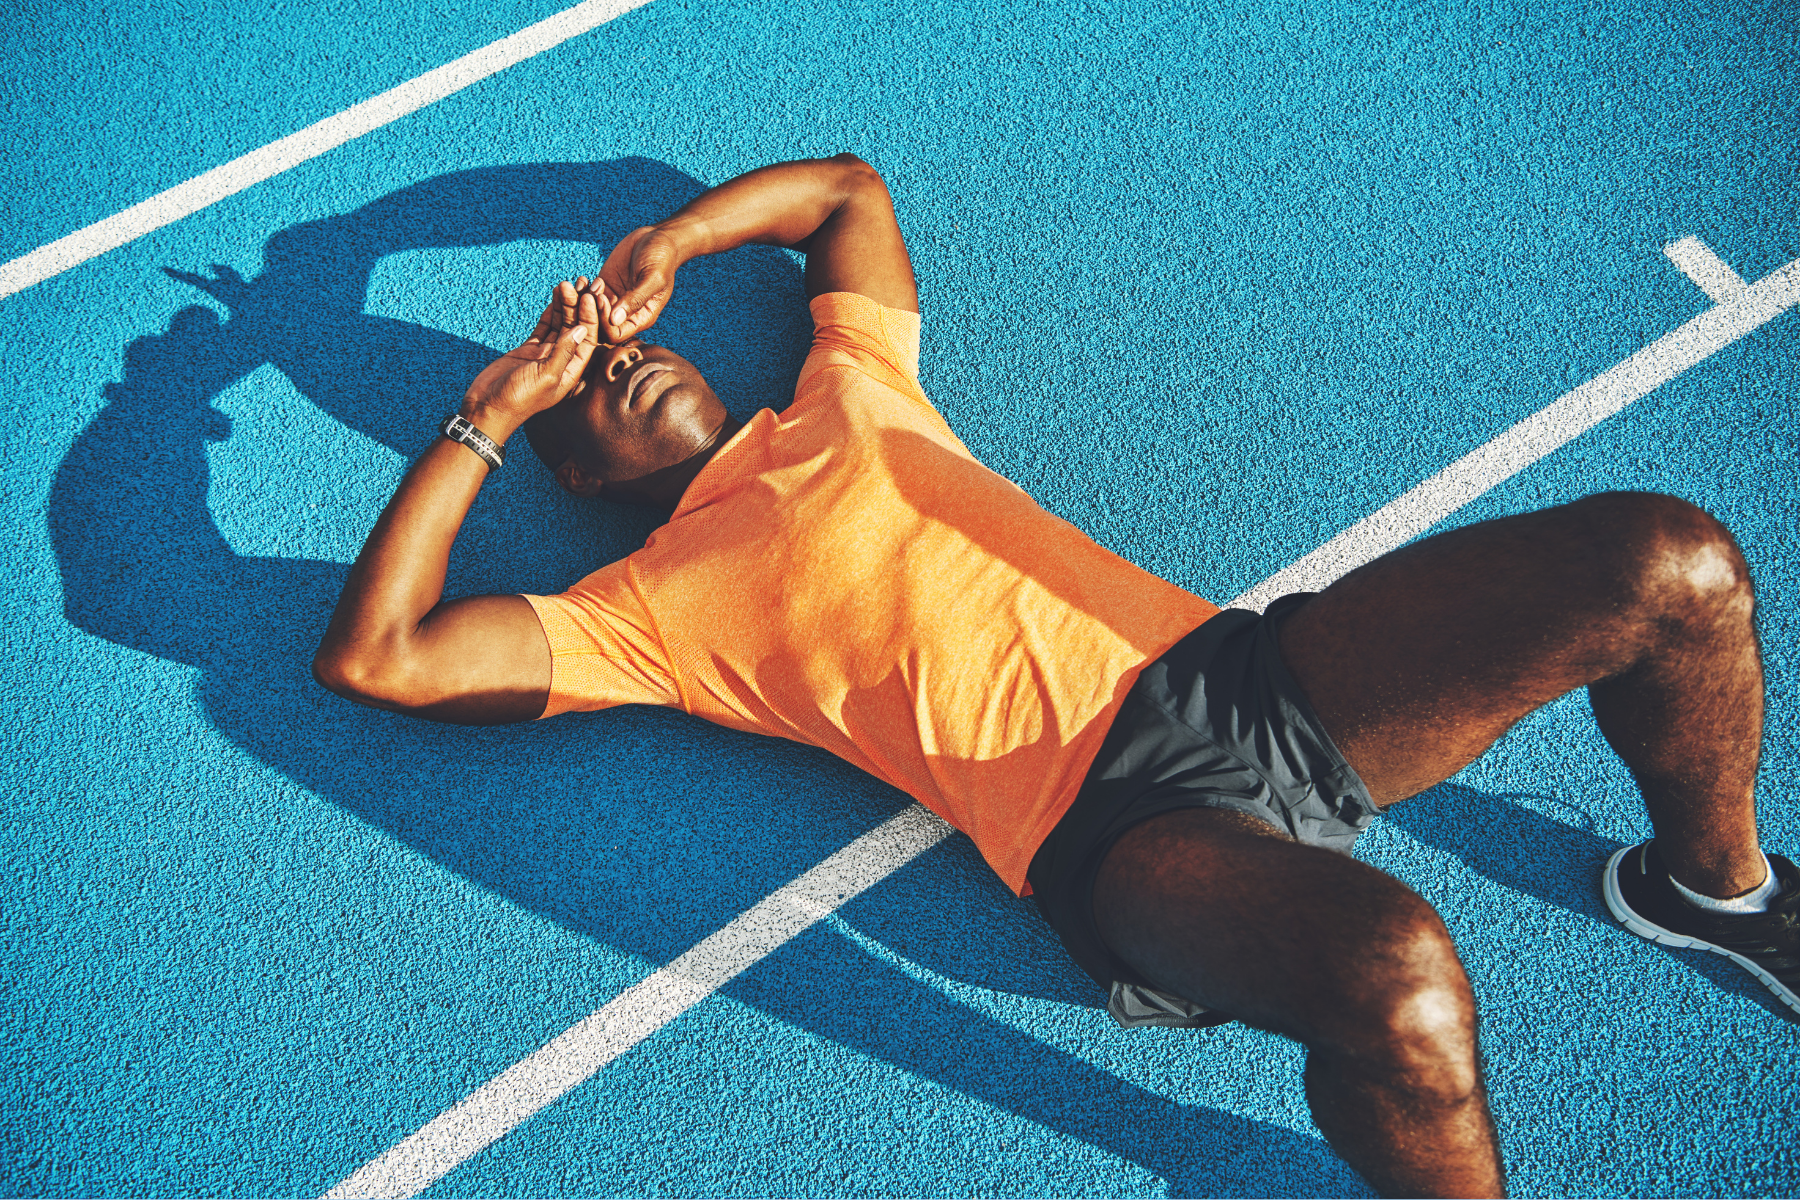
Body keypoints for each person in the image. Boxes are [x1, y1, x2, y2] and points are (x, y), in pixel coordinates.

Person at [310, 154, 1798, 1198]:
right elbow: (380, 654)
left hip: (1249, 681)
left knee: (1672, 567)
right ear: (573, 475)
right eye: (579, 396)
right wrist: (490, 407)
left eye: (609, 349)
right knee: (1399, 984)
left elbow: (844, 190)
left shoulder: (849, 390)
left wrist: (677, 247)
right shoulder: (639, 608)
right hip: (1123, 838)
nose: (608, 365)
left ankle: (1708, 889)